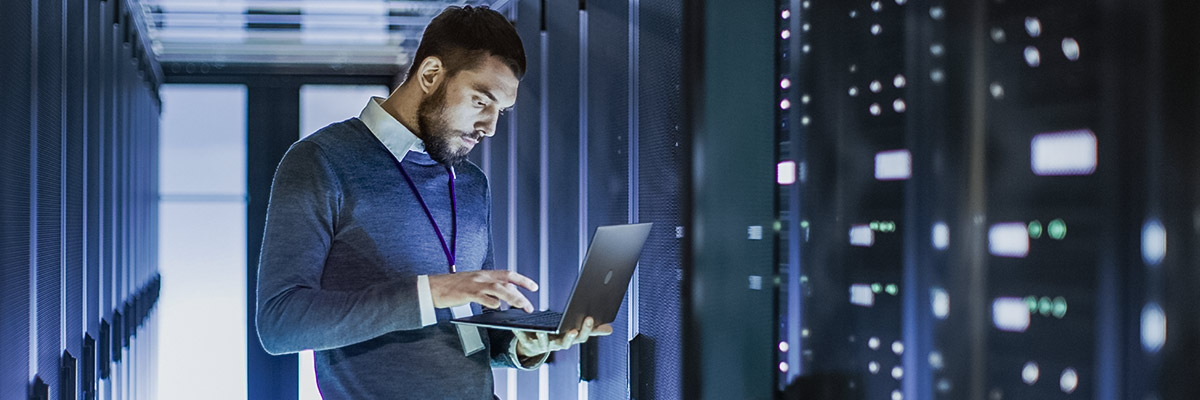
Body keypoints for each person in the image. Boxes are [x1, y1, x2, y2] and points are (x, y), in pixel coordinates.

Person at [254, 6, 611, 399]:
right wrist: (431, 292)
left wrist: (518, 347)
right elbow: (280, 323)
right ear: (430, 74)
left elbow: (472, 324)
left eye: (501, 112)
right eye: (481, 101)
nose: (490, 126)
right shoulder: (320, 161)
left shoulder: (471, 181)